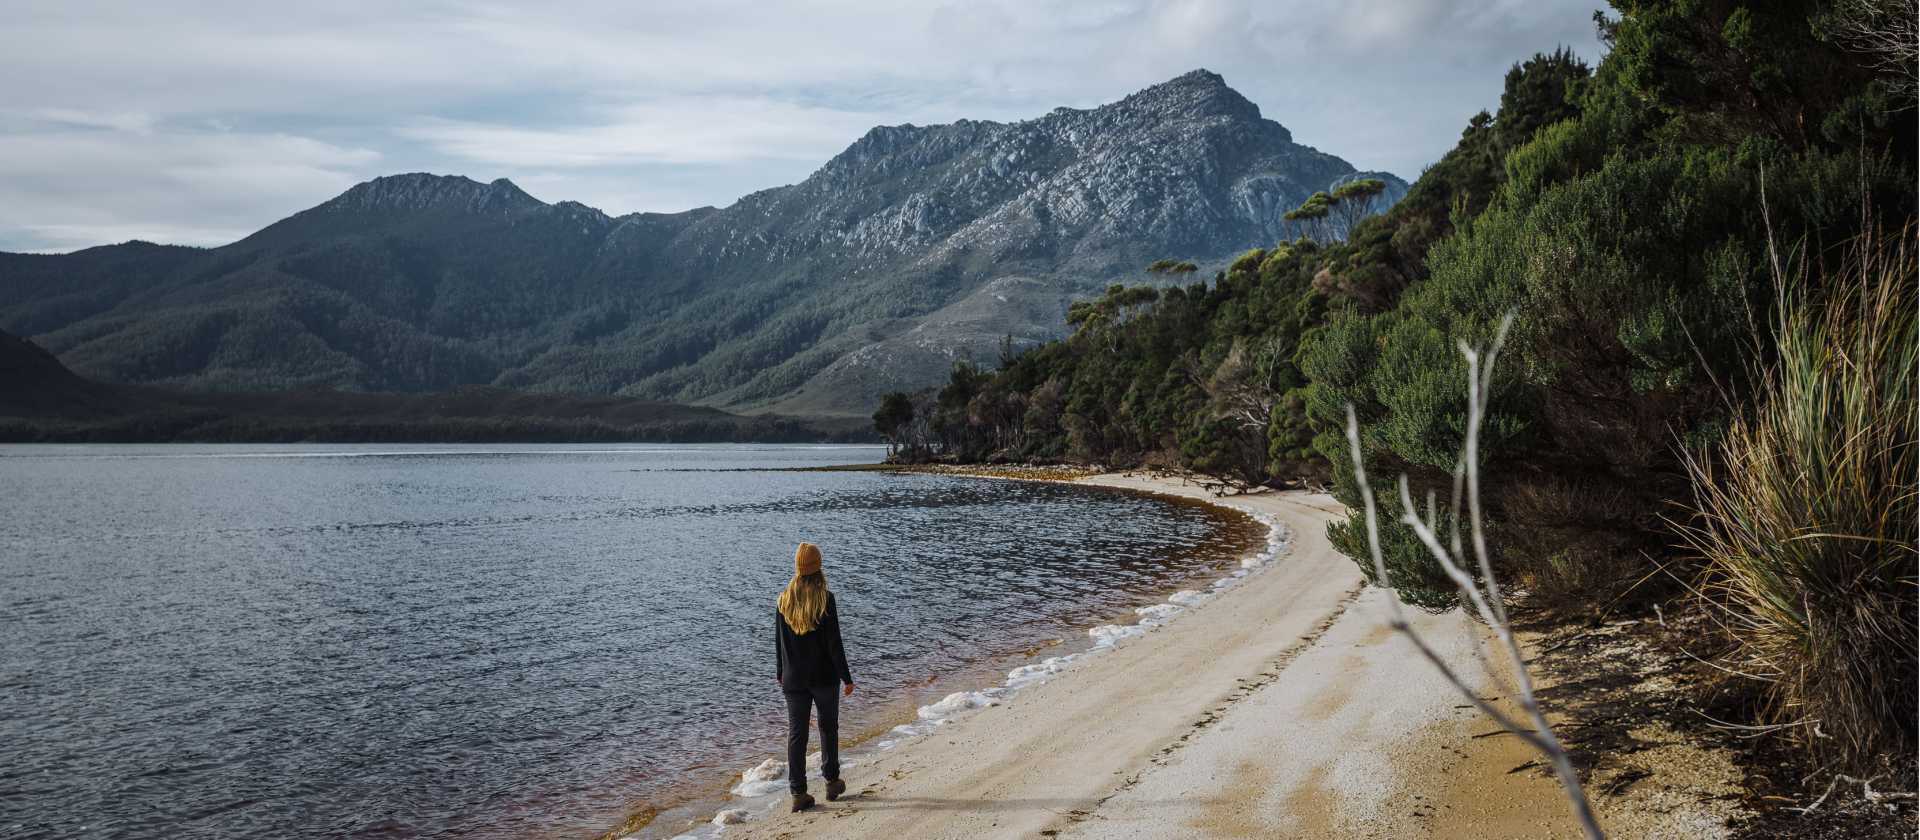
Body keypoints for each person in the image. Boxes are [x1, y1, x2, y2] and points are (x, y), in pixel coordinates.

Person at [774, 542, 855, 812]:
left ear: (797, 568)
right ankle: (832, 781)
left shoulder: (783, 599)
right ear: (818, 566)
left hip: (793, 679)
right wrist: (846, 677)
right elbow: (834, 644)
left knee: (797, 734)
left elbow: (779, 643)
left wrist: (780, 672)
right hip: (823, 678)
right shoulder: (825, 599)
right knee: (828, 728)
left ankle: (798, 793)